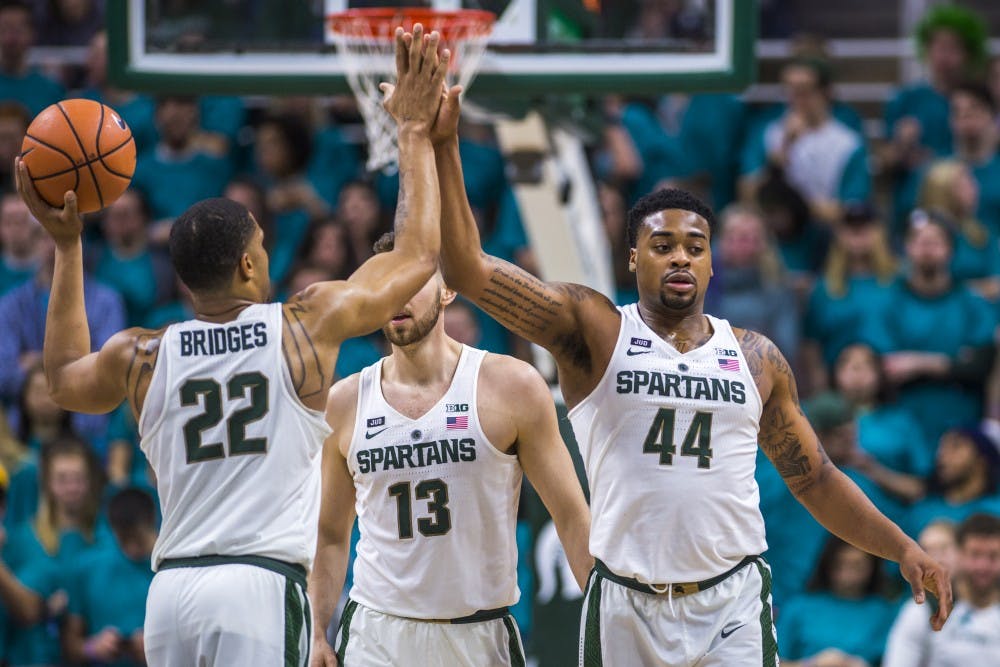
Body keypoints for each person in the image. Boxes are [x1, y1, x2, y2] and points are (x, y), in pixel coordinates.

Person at [436, 89, 951, 663]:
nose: (680, 257)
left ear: (711, 261)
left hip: (731, 601)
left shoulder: (756, 357)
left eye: (694, 246)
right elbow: (465, 268)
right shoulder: (596, 330)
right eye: (662, 245)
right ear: (633, 258)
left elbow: (816, 480)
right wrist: (441, 144)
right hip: (625, 602)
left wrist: (902, 547)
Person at [13, 24, 448, 665]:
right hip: (259, 586)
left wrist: (68, 245)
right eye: (263, 251)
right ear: (248, 266)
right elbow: (416, 255)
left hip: (170, 596)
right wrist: (413, 132)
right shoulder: (303, 325)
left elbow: (63, 378)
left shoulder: (144, 355)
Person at [308, 232, 592, 666]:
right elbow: (329, 536)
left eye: (412, 281)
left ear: (448, 289)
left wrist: (604, 620)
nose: (397, 295)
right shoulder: (344, 402)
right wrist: (316, 632)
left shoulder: (511, 386)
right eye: (387, 283)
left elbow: (571, 515)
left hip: (478, 634)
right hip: (376, 633)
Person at [867, 213, 996, 447]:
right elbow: (885, 367)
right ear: (906, 248)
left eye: (935, 241)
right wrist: (953, 363)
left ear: (951, 250)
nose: (926, 247)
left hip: (962, 425)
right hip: (902, 425)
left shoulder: (972, 304)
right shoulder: (887, 302)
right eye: (918, 240)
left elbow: (979, 367)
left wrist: (918, 362)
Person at [883, 513, 1000, 667]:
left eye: (993, 556)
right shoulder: (923, 610)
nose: (982, 566)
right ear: (958, 554)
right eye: (975, 555)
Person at [64, 487, 157, 666]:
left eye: (139, 540)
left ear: (153, 522)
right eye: (124, 540)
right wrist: (92, 648)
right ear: (113, 530)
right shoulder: (86, 568)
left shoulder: (173, 570)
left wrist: (158, 646)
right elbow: (70, 645)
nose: (132, 548)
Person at [777, 536, 898, 667]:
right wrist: (811, 664)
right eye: (840, 565)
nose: (848, 577)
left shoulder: (884, 614)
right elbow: (771, 662)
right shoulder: (798, 608)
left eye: (857, 566)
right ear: (827, 565)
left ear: (872, 567)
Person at [908, 427, 1000, 536]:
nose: (941, 455)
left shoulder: (995, 511)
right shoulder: (921, 512)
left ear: (982, 460)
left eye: (955, 446)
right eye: (941, 447)